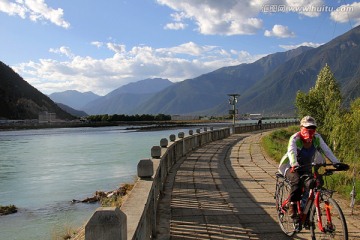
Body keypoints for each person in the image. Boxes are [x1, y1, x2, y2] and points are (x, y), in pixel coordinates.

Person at [278, 116, 341, 218]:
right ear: (301, 127)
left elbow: (326, 150)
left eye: (312, 128)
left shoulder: (316, 138)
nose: (309, 131)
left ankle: (307, 209)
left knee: (316, 182)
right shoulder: (295, 138)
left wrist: (336, 162)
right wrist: (294, 163)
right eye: (307, 128)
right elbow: (291, 151)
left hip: (306, 166)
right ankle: (292, 205)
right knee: (297, 182)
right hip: (290, 166)